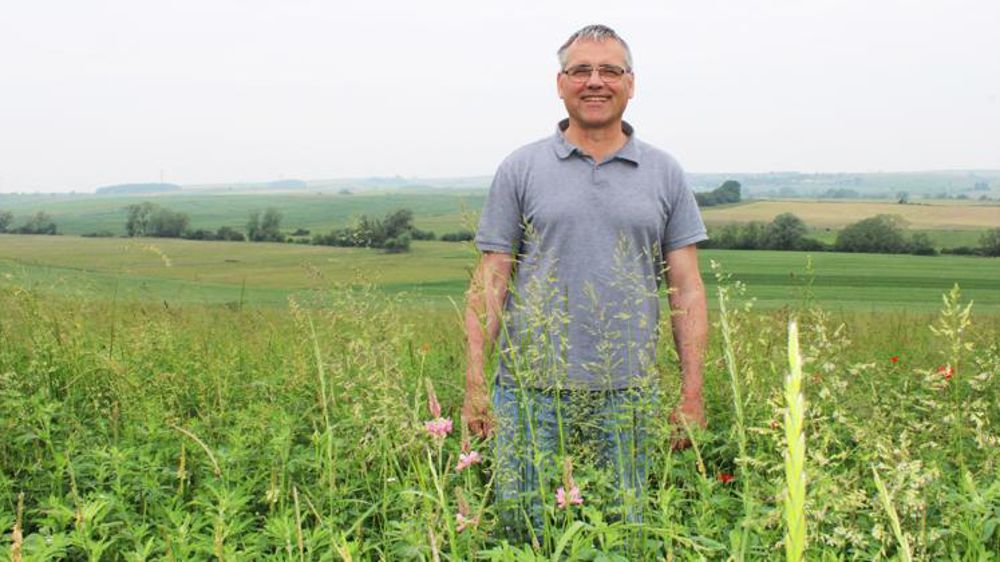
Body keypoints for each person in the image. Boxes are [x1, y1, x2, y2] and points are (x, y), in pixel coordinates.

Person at [462, 24, 708, 537]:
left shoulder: (665, 172)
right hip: (528, 392)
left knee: (620, 533)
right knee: (523, 534)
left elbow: (686, 289)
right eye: (581, 71)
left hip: (629, 393)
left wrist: (691, 393)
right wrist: (476, 385)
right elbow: (490, 280)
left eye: (609, 70)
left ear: (631, 83)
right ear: (560, 83)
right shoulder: (520, 168)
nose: (595, 81)